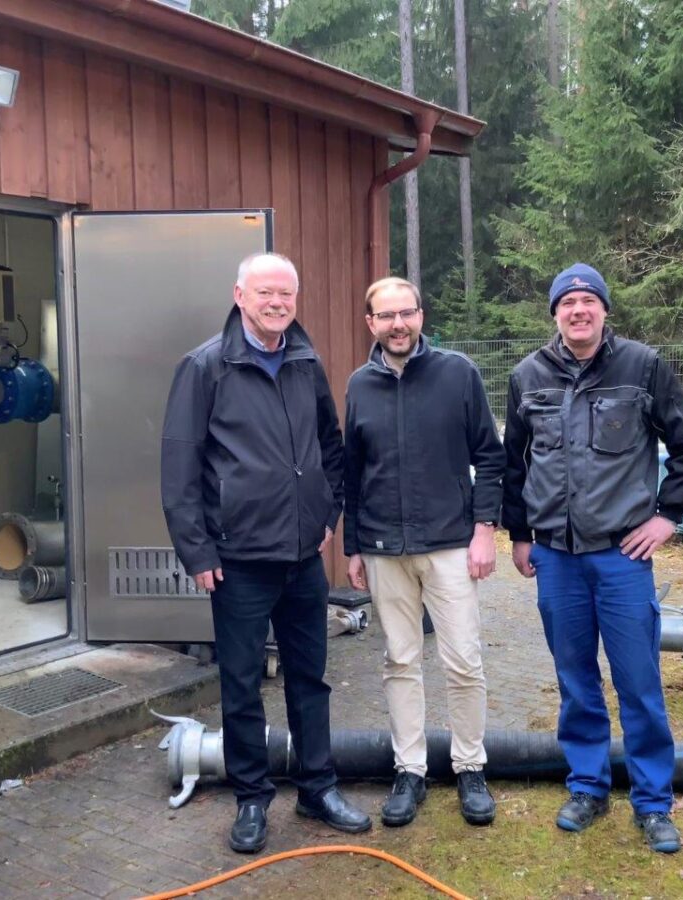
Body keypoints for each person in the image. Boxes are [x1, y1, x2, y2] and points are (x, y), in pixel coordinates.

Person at [160, 252, 371, 855]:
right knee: (242, 684)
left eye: (286, 294)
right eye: (265, 293)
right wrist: (197, 551)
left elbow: (330, 445)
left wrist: (327, 514)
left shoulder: (305, 361)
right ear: (239, 296)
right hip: (238, 562)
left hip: (303, 560)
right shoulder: (206, 366)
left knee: (310, 680)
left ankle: (317, 788)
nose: (277, 303)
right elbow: (179, 466)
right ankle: (251, 799)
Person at [501, 263, 683, 853]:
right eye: (567, 304)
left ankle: (653, 802)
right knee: (575, 680)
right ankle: (588, 786)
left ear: (604, 310)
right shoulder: (527, 377)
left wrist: (668, 516)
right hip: (556, 558)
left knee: (638, 681)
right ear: (554, 314)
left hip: (621, 556)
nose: (578, 311)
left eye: (588, 301)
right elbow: (514, 462)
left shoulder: (642, 367)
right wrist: (519, 533)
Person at [343, 276, 504, 827]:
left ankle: (470, 767)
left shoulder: (457, 373)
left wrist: (484, 530)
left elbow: (490, 455)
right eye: (386, 316)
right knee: (400, 661)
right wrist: (354, 546)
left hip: (450, 544)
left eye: (406, 313)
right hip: (383, 548)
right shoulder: (359, 386)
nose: (398, 325)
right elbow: (353, 473)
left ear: (420, 315)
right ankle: (409, 770)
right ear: (371, 323)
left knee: (463, 660)